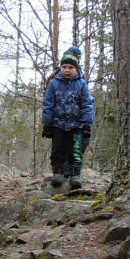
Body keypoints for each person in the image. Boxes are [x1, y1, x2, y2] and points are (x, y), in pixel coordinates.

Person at [42, 51, 94, 189]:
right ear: (61, 68)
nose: (67, 70)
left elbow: (87, 104)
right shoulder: (53, 83)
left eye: (70, 68)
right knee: (58, 149)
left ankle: (75, 174)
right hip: (58, 124)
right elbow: (48, 103)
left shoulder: (81, 84)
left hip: (76, 125)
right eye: (64, 67)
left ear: (75, 69)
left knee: (75, 150)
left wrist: (87, 123)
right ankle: (57, 172)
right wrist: (47, 124)